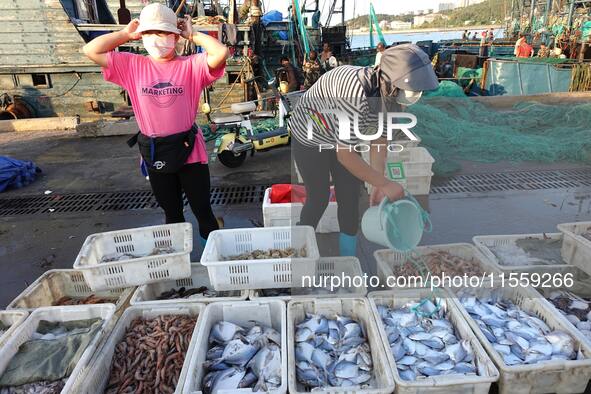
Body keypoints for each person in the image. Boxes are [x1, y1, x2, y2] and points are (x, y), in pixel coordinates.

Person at [82, 4, 228, 246]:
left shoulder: (191, 65)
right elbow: (90, 49)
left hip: (189, 151)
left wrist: (193, 34)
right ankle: (180, 265)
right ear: (142, 36)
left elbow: (220, 53)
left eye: (163, 33)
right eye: (150, 33)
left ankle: (219, 263)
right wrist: (125, 34)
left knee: (204, 213)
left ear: (175, 36)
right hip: (154, 151)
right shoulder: (132, 65)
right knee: (172, 215)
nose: (157, 39)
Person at [289, 44, 438, 256]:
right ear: (391, 82)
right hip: (310, 136)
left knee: (350, 196)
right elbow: (345, 156)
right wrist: (386, 184)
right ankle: (298, 251)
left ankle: (348, 260)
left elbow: (380, 139)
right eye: (410, 91)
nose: (411, 98)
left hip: (341, 136)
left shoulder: (388, 96)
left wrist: (377, 180)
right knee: (319, 198)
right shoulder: (355, 95)